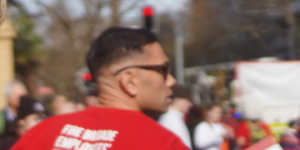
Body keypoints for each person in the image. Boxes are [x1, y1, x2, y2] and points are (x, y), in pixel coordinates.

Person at [11, 27, 189, 150]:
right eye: (163, 70)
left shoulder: (41, 134)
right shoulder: (162, 143)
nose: (171, 81)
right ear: (129, 81)